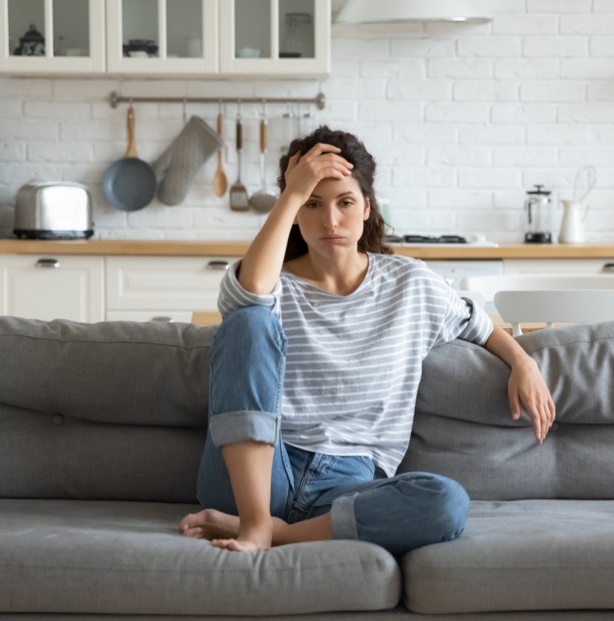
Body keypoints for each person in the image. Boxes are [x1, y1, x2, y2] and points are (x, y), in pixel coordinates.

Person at [178, 126, 555, 555]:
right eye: (313, 204)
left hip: (347, 485)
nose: (330, 221)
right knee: (248, 321)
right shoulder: (271, 283)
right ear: (296, 213)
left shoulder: (410, 284)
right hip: (257, 469)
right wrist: (291, 193)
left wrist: (524, 363)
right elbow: (248, 297)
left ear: (367, 208)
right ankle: (255, 516)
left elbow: (481, 326)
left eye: (345, 202)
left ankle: (267, 531)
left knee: (446, 502)